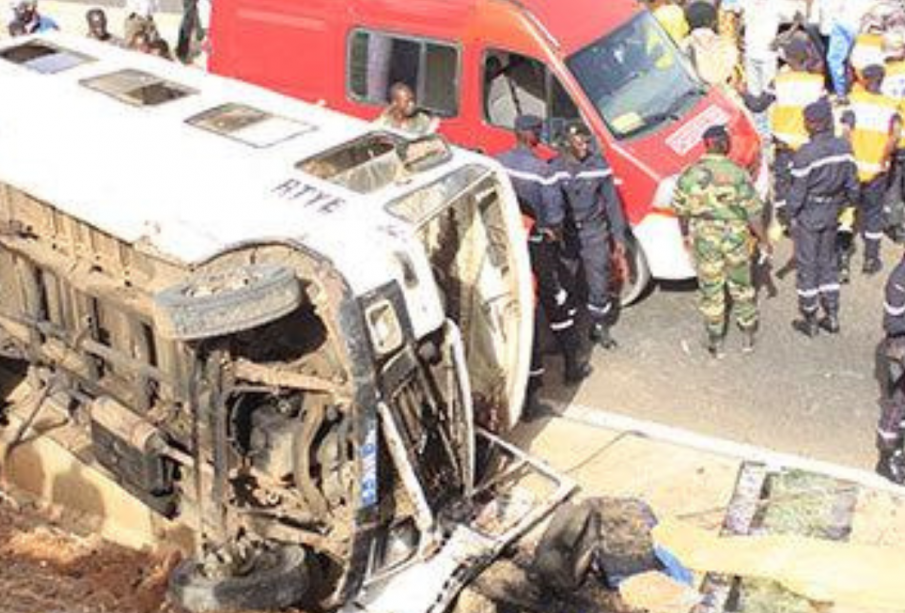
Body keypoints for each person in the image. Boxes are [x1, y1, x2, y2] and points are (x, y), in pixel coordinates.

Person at [497, 115, 592, 417]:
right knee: (553, 299)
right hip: (536, 243)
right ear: (531, 135)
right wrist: (554, 237)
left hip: (507, 243)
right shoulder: (544, 171)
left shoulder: (500, 164)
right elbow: (554, 218)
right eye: (538, 131)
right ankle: (570, 365)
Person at [672, 125, 769, 357]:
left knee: (711, 288)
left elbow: (681, 211)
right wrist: (763, 240)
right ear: (724, 144)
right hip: (735, 236)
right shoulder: (737, 173)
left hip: (705, 238)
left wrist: (685, 235)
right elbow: (753, 213)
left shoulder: (689, 174)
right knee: (742, 286)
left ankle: (716, 340)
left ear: (706, 145)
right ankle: (748, 335)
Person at [550, 123, 628, 351]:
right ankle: (570, 330)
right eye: (579, 142)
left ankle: (599, 327)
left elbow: (612, 204)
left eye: (586, 141)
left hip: (594, 233)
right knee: (566, 281)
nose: (585, 146)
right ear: (567, 144)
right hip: (567, 236)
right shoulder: (554, 168)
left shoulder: (598, 166)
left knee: (599, 281)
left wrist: (619, 237)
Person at [786, 99, 859, 337]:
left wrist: (790, 216)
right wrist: (845, 205)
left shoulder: (805, 154)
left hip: (809, 214)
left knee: (808, 265)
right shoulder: (845, 147)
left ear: (813, 124)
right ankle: (833, 314)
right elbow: (853, 185)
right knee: (828, 262)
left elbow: (797, 193)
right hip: (832, 212)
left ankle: (810, 319)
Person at [739, 37, 827, 227]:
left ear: (787, 59)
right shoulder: (817, 83)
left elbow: (757, 106)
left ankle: (784, 218)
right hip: (807, 143)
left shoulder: (778, 82)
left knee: (783, 181)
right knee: (806, 179)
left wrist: (742, 92)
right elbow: (825, 116)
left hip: (783, 144)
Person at [842, 64, 902, 275]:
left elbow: (846, 131)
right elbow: (895, 135)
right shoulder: (890, 106)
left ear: (864, 80)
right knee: (873, 214)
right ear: (882, 80)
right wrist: (884, 157)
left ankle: (842, 261)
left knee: (848, 211)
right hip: (877, 170)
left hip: (854, 168)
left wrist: (850, 156)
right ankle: (871, 259)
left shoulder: (854, 101)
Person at [877, 251, 905, 484]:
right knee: (898, 402)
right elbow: (893, 322)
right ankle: (888, 459)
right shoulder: (899, 280)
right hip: (901, 344)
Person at [373, 82, 439, 136]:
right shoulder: (385, 121)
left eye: (413, 100)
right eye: (407, 101)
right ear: (395, 103)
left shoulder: (422, 119)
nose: (412, 104)